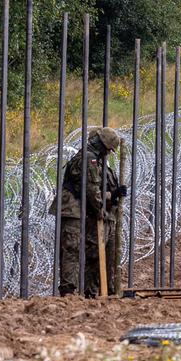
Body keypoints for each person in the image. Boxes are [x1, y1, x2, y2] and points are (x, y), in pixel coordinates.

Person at [54, 127, 125, 297]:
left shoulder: (93, 158)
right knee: (72, 249)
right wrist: (100, 209)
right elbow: (92, 189)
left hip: (79, 209)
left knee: (82, 251)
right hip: (72, 209)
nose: (107, 153)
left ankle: (82, 290)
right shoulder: (89, 158)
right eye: (108, 149)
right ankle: (68, 291)